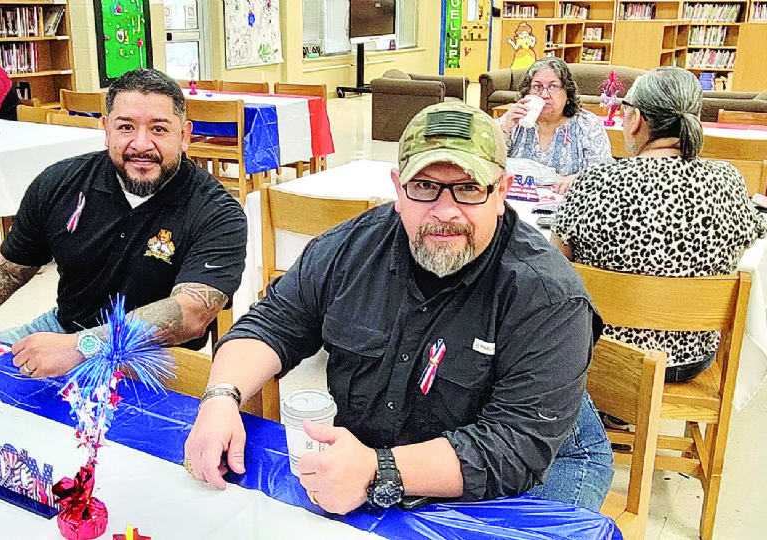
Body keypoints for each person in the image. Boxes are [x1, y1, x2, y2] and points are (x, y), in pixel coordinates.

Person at [184, 100, 612, 514]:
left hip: (540, 461)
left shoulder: (546, 294)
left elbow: (517, 448)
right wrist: (220, 399)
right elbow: (274, 322)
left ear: (501, 192)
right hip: (389, 452)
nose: (445, 211)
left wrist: (379, 468)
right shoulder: (352, 248)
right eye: (425, 186)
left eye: (467, 189)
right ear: (397, 188)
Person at [0, 68, 247, 378]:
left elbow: (191, 313)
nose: (141, 143)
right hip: (64, 327)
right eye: (126, 126)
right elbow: (6, 271)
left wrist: (84, 348)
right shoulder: (59, 182)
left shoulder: (218, 212)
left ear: (185, 135)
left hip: (156, 358)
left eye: (159, 129)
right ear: (106, 127)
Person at [552, 66, 767, 384]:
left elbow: (555, 268)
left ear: (635, 118)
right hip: (692, 360)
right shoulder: (728, 181)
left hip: (607, 358)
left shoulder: (593, 182)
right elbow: (754, 231)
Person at [498, 57, 611, 194]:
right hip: (517, 201)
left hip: (568, 203)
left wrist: (579, 179)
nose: (544, 94)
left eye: (553, 87)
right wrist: (505, 128)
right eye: (537, 87)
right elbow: (488, 163)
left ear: (567, 93)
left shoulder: (587, 124)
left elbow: (605, 174)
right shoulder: (515, 120)